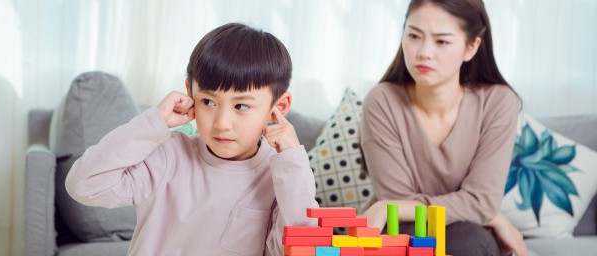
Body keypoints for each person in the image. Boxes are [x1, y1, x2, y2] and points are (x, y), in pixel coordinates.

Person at [65, 23, 318, 255]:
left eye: (241, 106)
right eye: (208, 102)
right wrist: (154, 122)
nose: (221, 123)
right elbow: (83, 184)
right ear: (190, 93)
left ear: (279, 106)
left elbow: (299, 248)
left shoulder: (280, 175)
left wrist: (293, 163)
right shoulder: (168, 155)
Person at [359, 0, 528, 255]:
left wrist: (482, 210)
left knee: (468, 240)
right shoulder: (382, 101)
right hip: (401, 229)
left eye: (442, 41)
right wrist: (489, 215)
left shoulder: (498, 102)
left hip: (466, 234)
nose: (424, 52)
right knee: (408, 236)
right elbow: (397, 203)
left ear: (471, 47)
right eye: (414, 35)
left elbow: (482, 200)